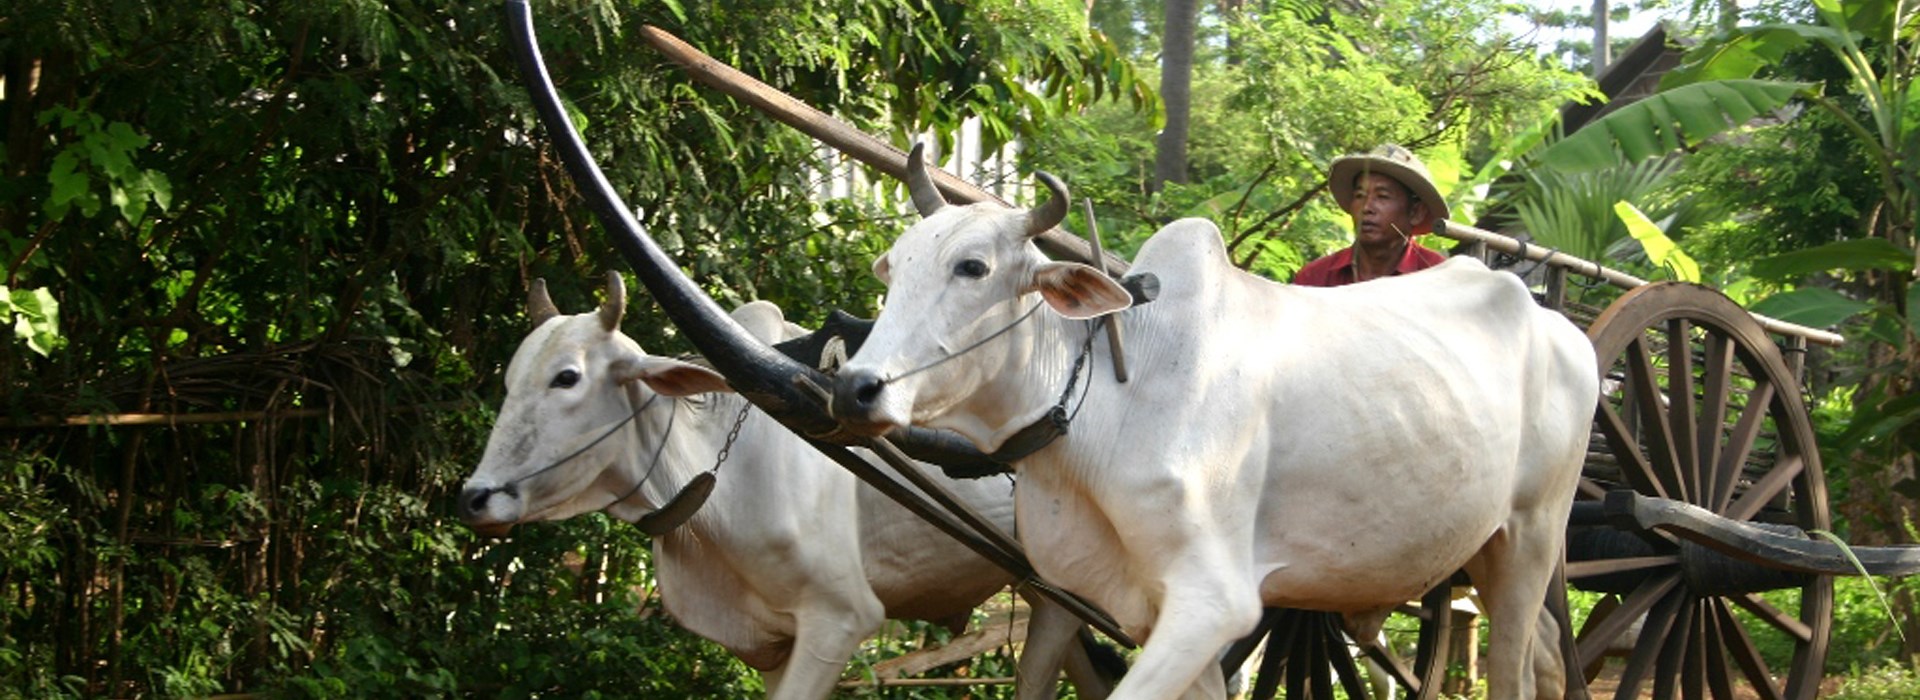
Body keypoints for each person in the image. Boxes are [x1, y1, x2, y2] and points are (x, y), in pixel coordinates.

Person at [1292, 144, 1450, 287]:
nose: (1366, 207)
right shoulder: (1315, 278)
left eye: (1382, 196)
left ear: (1416, 212)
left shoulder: (1439, 279)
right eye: (1360, 195)